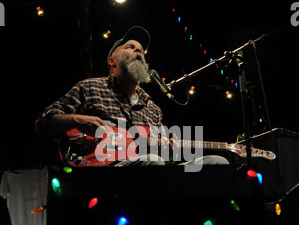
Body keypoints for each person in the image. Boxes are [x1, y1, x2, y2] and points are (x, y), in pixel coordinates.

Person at [36, 26, 229, 168]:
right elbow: (44, 121)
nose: (138, 50)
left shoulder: (152, 109)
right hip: (101, 169)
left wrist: (169, 152)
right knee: (153, 162)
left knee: (217, 162)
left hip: (146, 169)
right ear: (112, 61)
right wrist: (77, 119)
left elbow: (162, 155)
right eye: (130, 47)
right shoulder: (90, 88)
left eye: (141, 51)